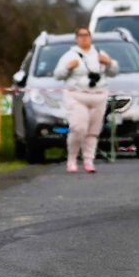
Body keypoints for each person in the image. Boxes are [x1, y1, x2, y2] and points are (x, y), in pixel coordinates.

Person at [53, 28, 119, 173]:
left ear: (90, 37)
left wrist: (108, 62)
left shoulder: (99, 53)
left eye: (86, 35)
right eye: (80, 36)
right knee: (78, 128)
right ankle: (72, 159)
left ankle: (89, 160)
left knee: (93, 131)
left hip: (98, 95)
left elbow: (114, 72)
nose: (84, 38)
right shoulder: (70, 55)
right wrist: (68, 67)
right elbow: (57, 75)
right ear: (76, 38)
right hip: (76, 95)